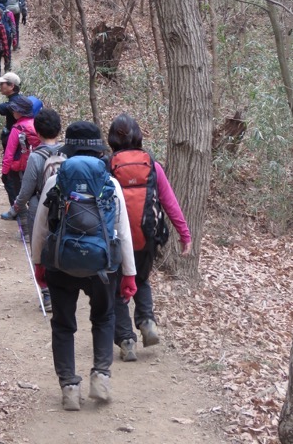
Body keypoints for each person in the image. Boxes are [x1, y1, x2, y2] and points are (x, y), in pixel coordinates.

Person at [32, 121, 137, 411]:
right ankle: (101, 377)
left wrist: (39, 262)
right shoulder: (110, 182)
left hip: (61, 264)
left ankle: (68, 388)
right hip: (103, 267)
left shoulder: (57, 178)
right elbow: (123, 230)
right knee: (103, 319)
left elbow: (41, 226)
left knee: (63, 325)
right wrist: (129, 273)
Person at [108, 113, 192, 362]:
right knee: (141, 280)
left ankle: (126, 341)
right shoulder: (152, 165)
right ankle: (147, 322)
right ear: (138, 135)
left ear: (112, 138)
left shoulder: (107, 164)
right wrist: (184, 234)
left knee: (116, 289)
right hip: (147, 237)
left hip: (116, 239)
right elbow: (170, 202)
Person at [11, 108, 63, 312]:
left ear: (38, 133)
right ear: (58, 130)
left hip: (39, 207)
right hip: (65, 207)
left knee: (39, 249)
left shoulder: (35, 157)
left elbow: (26, 190)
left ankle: (47, 293)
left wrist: (16, 206)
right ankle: (61, 290)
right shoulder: (66, 153)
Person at [0, 95, 40, 219]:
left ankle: (19, 218)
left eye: (15, 109)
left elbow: (9, 153)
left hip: (18, 167)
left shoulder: (18, 128)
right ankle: (33, 220)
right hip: (36, 165)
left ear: (21, 112)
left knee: (17, 194)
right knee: (33, 195)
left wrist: (5, 172)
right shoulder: (35, 124)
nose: (13, 112)